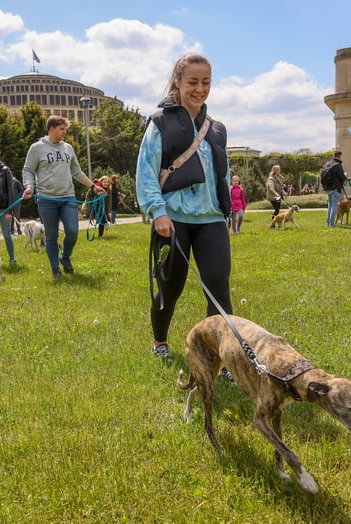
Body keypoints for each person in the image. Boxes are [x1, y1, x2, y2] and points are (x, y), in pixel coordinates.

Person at [135, 52, 232, 362]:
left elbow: (222, 174)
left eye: (206, 82)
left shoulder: (216, 128)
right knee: (169, 288)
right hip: (172, 220)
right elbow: (146, 171)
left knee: (218, 288)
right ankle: (160, 342)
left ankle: (221, 355)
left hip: (211, 221)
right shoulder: (160, 123)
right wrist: (157, 210)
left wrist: (224, 208)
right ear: (177, 82)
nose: (199, 89)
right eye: (192, 82)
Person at [22, 115, 106, 278]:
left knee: (73, 231)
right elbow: (28, 170)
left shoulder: (68, 148)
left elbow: (76, 171)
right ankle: (55, 269)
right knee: (51, 235)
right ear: (51, 129)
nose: (64, 132)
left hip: (68, 197)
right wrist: (29, 187)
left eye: (65, 129)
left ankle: (65, 257)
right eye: (62, 129)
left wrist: (93, 187)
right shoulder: (36, 148)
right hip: (47, 199)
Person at [322, 150, 347, 227]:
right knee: (334, 206)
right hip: (336, 188)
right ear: (339, 156)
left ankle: (327, 223)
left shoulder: (327, 164)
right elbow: (342, 177)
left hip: (328, 188)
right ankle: (331, 223)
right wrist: (346, 178)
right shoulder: (337, 165)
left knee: (329, 206)